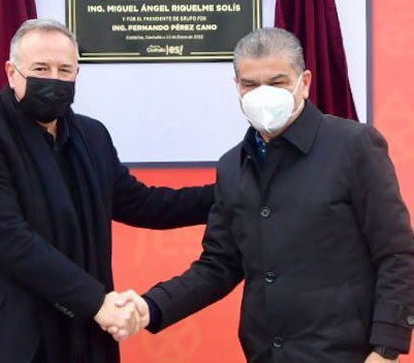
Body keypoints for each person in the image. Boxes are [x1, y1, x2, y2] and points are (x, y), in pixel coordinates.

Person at [0, 19, 214, 363]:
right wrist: (96, 302)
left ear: (76, 75)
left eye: (64, 69)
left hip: (67, 329)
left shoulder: (92, 135)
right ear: (12, 72)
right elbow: (5, 236)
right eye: (41, 68)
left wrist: (234, 191)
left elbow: (143, 204)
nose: (53, 79)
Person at [121, 28, 414, 362]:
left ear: (304, 82)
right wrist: (149, 306)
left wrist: (387, 349)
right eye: (250, 84)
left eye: (277, 83)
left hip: (347, 352)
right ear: (237, 87)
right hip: (265, 353)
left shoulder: (354, 145)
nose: (263, 94)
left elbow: (396, 252)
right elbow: (218, 266)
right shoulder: (233, 165)